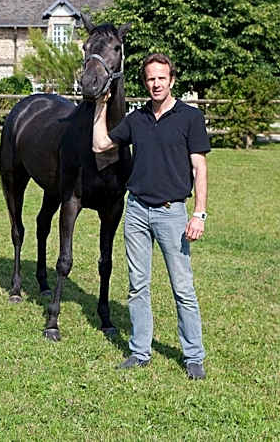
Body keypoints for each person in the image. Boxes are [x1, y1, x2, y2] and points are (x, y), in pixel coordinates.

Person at [92, 52, 210, 380]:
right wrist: (101, 106)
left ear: (171, 81)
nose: (155, 84)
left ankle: (193, 356)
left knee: (182, 287)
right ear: (145, 83)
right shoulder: (137, 118)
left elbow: (199, 167)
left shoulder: (190, 117)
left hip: (173, 213)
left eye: (161, 78)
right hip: (137, 211)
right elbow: (100, 144)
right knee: (137, 285)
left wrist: (199, 214)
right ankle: (140, 352)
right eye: (150, 79)